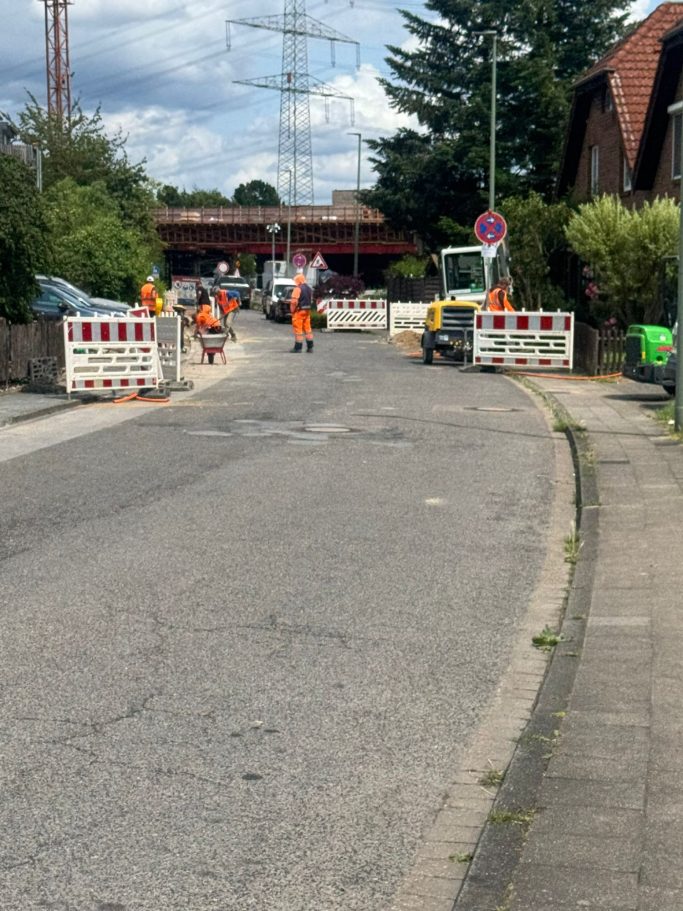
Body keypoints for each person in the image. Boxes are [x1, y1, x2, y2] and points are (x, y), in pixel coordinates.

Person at [289, 273, 314, 353]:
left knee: (298, 330)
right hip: (307, 311)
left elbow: (293, 302)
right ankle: (310, 347)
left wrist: (292, 311)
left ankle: (298, 348)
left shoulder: (297, 289)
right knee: (308, 329)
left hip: (299, 312)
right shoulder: (309, 289)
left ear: (298, 280)